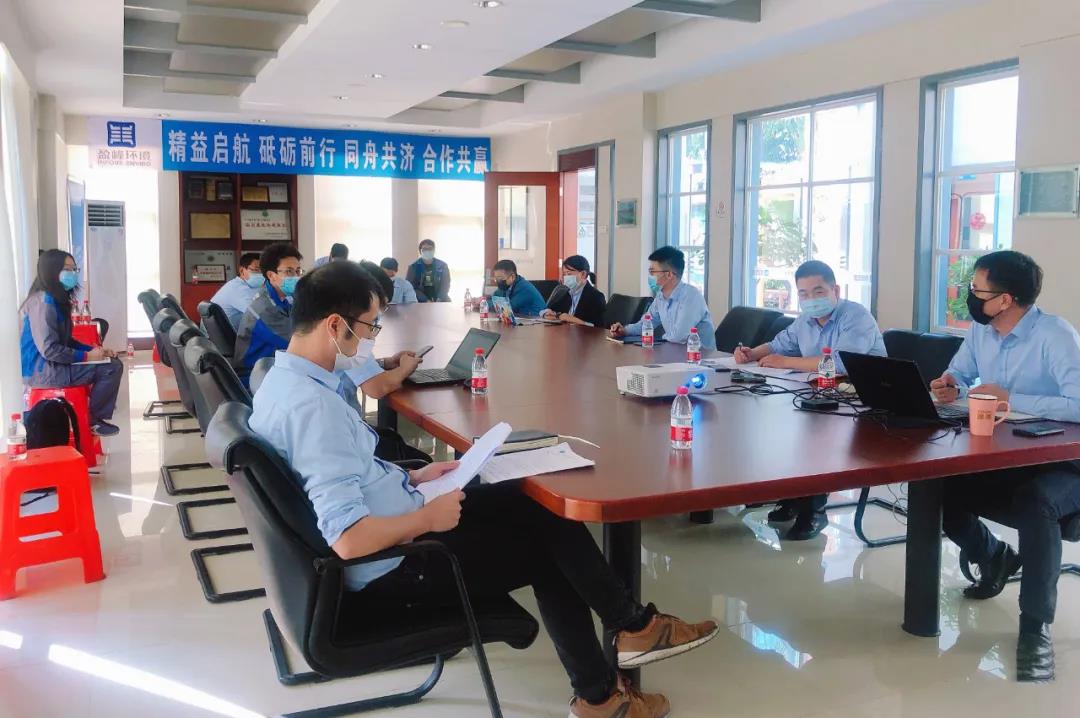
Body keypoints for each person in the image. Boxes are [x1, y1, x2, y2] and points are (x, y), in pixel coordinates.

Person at [250, 260, 720, 718]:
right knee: (549, 548)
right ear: (335, 325)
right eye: (370, 327)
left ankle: (630, 632)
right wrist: (426, 518)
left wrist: (411, 477)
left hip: (401, 520)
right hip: (397, 564)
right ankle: (606, 686)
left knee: (533, 502)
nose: (371, 339)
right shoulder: (313, 409)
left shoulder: (284, 381)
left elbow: (344, 472)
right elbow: (349, 541)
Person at [928, 250, 1080, 683]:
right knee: (940, 486)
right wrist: (949, 384)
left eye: (977, 290)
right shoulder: (983, 331)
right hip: (1008, 450)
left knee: (1037, 502)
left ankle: (1035, 629)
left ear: (1006, 299)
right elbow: (959, 373)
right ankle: (993, 556)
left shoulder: (1055, 335)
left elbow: (1078, 404)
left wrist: (1011, 399)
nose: (971, 296)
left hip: (1065, 462)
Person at [734, 259, 887, 540]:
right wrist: (751, 354)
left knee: (818, 434)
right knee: (783, 424)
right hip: (822, 394)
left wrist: (784, 362)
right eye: (803, 294)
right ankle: (793, 497)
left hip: (862, 400)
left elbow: (839, 363)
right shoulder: (806, 320)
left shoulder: (856, 317)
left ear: (835, 290)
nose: (811, 299)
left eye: (818, 291)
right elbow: (780, 344)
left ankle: (814, 510)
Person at [19, 250, 123, 436]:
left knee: (110, 363)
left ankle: (93, 418)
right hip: (44, 371)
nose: (73, 274)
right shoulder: (43, 303)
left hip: (51, 366)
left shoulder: (55, 300)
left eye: (75, 269)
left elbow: (67, 341)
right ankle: (93, 421)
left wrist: (96, 351)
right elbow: (50, 350)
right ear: (52, 271)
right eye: (67, 269)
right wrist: (87, 356)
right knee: (111, 368)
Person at [610, 246, 716, 350]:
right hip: (675, 354)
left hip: (700, 357)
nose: (650, 276)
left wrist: (659, 340)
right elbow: (646, 324)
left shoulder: (691, 296)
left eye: (652, 272)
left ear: (669, 275)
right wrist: (625, 330)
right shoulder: (660, 297)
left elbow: (678, 336)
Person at [235, 242, 302, 375]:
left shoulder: (281, 299)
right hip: (253, 375)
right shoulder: (265, 308)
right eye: (289, 271)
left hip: (271, 366)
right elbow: (297, 343)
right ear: (271, 275)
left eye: (298, 271)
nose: (296, 277)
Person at [541, 255, 607, 327]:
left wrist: (573, 320)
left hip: (583, 334)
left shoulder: (596, 297)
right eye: (564, 274)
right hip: (565, 332)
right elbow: (548, 309)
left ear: (583, 274)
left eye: (569, 274)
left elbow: (600, 328)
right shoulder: (566, 292)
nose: (565, 277)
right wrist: (546, 313)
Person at [209, 252, 261, 329]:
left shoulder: (251, 286)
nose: (260, 274)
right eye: (256, 270)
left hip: (232, 332)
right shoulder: (237, 288)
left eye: (263, 271)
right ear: (242, 270)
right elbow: (259, 314)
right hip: (226, 335)